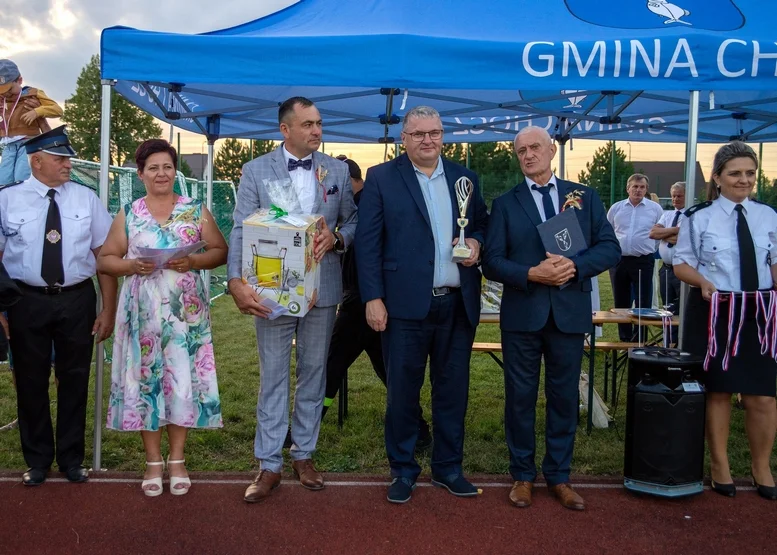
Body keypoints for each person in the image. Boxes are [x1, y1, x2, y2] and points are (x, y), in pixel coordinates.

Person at [483, 126, 620, 511]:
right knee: (520, 398)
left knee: (563, 398)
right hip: (523, 315)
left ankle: (559, 476)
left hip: (569, 315)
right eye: (521, 151)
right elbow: (491, 262)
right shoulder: (505, 204)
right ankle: (522, 475)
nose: (528, 156)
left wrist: (574, 266)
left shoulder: (585, 197)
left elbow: (610, 248)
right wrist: (531, 274)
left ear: (551, 151)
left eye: (535, 148)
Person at [356, 106, 488, 504]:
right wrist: (373, 298)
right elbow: (368, 243)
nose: (427, 140)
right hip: (402, 307)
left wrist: (478, 243)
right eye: (418, 134)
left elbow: (480, 223)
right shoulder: (381, 178)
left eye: (434, 132)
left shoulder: (465, 178)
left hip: (456, 304)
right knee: (402, 394)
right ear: (404, 139)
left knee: (453, 392)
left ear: (443, 135)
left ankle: (448, 468)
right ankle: (403, 469)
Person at [229, 97, 357, 503]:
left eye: (319, 123)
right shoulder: (255, 170)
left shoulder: (337, 169)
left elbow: (352, 221)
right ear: (285, 130)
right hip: (271, 288)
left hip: (322, 288)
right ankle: (269, 464)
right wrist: (235, 280)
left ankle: (304, 454)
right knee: (273, 375)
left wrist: (336, 238)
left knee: (314, 372)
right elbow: (239, 229)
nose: (317, 131)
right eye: (308, 125)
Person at [97, 139, 227, 497]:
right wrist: (130, 265)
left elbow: (219, 250)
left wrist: (194, 261)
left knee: (181, 380)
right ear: (140, 174)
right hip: (141, 312)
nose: (161, 173)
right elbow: (105, 259)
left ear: (176, 171)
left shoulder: (194, 209)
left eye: (167, 166)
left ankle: (178, 460)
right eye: (153, 168)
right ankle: (153, 461)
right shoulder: (129, 212)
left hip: (185, 313)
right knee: (147, 383)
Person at [0, 125, 116, 486]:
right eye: (60, 158)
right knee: (31, 382)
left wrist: (108, 309)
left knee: (75, 380)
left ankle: (71, 459)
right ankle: (37, 461)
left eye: (68, 157)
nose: (68, 164)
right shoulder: (7, 199)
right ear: (36, 162)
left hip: (77, 298)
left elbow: (105, 256)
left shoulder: (86, 199)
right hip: (25, 300)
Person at [674, 141, 777, 501]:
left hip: (759, 315)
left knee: (762, 396)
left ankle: (762, 466)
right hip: (717, 311)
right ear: (717, 178)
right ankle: (720, 465)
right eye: (735, 173)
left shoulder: (769, 216)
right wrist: (702, 281)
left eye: (750, 173)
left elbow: (773, 264)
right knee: (718, 391)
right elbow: (681, 263)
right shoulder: (698, 216)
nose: (744, 179)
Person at [320, 155, 433, 447]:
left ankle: (309, 424)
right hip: (369, 298)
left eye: (337, 182)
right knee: (388, 370)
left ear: (351, 180)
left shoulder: (369, 200)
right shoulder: (356, 201)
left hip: (362, 299)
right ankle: (418, 428)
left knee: (332, 363)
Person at [607, 173, 663, 341]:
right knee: (621, 300)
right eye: (635, 187)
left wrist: (647, 250)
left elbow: (660, 234)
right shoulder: (616, 208)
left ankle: (640, 339)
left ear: (646, 189)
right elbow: (608, 231)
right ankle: (625, 337)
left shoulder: (655, 209)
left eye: (642, 187)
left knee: (643, 301)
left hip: (643, 260)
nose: (638, 190)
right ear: (628, 188)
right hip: (619, 261)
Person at [0, 59, 61, 185]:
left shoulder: (31, 93)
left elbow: (57, 110)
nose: (6, 94)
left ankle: (23, 198)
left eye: (9, 89)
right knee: (4, 179)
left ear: (20, 81)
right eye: (2, 91)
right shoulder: (3, 100)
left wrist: (37, 111)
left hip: (28, 142)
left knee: (21, 176)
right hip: (9, 144)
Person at [650, 182, 686, 339]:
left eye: (679, 196)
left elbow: (685, 238)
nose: (676, 199)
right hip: (666, 269)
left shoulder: (693, 216)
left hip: (684, 269)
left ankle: (680, 340)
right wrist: (676, 230)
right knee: (667, 306)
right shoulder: (667, 215)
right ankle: (668, 339)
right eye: (673, 196)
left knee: (681, 306)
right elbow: (653, 233)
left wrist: (664, 234)